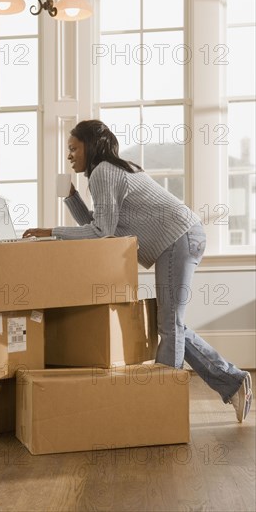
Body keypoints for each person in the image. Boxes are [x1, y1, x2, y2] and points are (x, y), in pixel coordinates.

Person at [23, 119, 253, 422]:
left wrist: (50, 232)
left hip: (179, 238)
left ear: (89, 146)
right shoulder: (108, 171)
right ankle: (233, 381)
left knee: (170, 326)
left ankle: (161, 410)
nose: (69, 155)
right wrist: (69, 196)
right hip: (182, 238)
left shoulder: (103, 172)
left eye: (73, 148)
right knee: (172, 324)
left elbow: (101, 231)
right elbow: (98, 225)